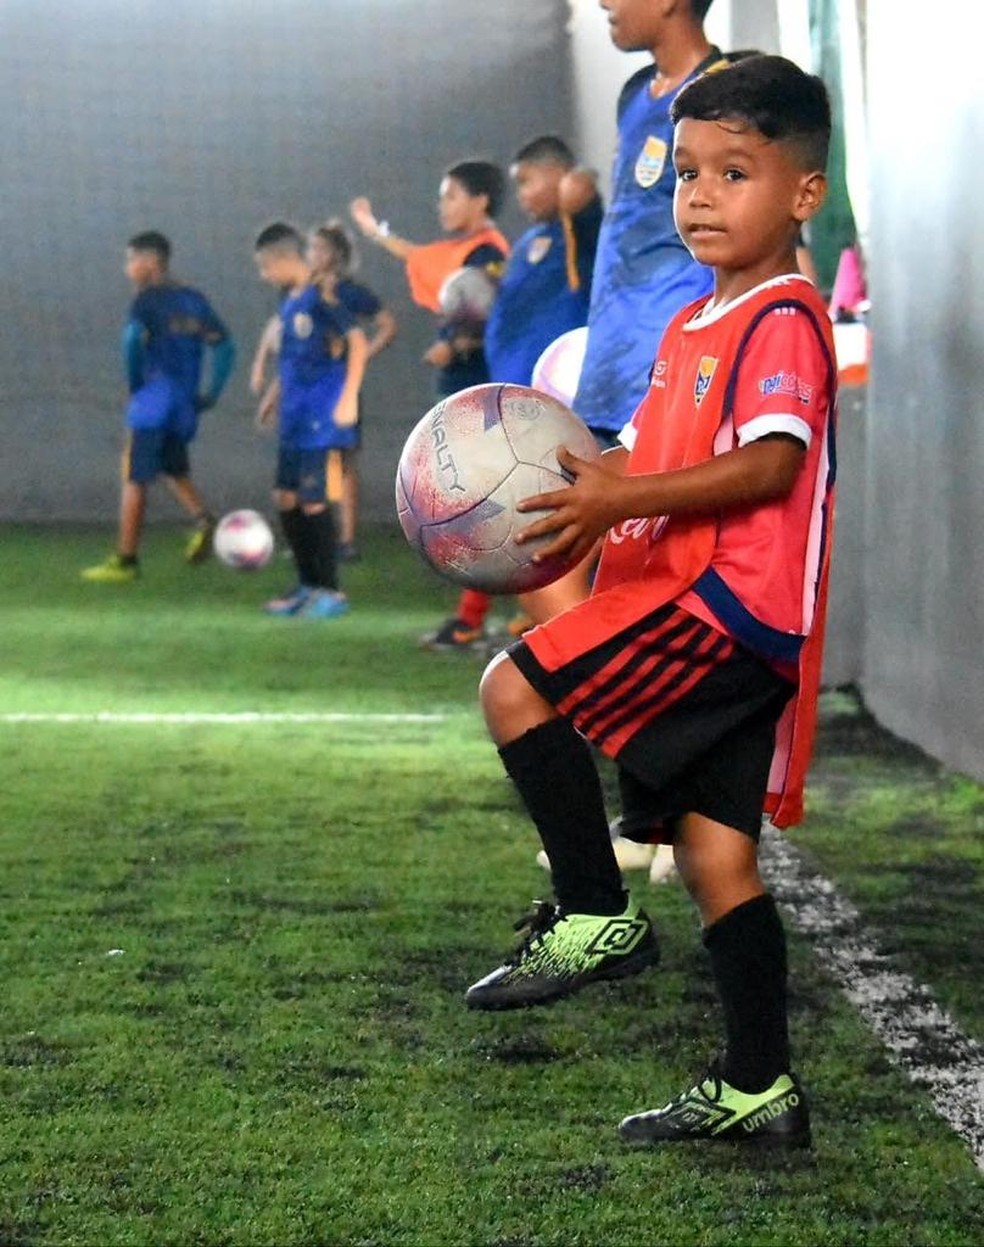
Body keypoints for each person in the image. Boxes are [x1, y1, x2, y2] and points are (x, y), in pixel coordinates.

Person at [467, 55, 836, 1151]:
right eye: (685, 172)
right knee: (719, 857)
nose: (701, 195)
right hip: (722, 615)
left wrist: (623, 493)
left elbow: (769, 466)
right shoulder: (692, 327)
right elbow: (647, 448)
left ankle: (592, 912)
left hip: (721, 605)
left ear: (803, 194)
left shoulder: (784, 318)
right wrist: (556, 472)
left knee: (513, 690)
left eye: (736, 171)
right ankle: (759, 1086)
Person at [420, 135, 604, 651]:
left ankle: (581, 645)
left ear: (561, 177)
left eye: (528, 180)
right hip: (516, 404)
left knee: (533, 524)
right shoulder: (530, 243)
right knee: (506, 521)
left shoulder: (577, 234)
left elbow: (588, 222)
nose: (521, 192)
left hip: (555, 409)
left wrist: (582, 197)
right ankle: (543, 629)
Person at [573, 0, 727, 448]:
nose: (603, 3)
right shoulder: (636, 92)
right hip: (607, 365)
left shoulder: (725, 99)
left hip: (669, 363)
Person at [81, 231, 235, 582]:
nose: (128, 269)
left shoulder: (146, 300)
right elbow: (226, 347)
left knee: (134, 477)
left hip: (152, 403)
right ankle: (203, 519)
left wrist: (136, 385)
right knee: (172, 467)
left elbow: (132, 339)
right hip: (183, 404)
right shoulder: (195, 300)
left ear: (150, 262)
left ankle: (126, 560)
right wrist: (211, 393)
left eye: (131, 260)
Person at [253, 222, 368, 618]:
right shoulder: (292, 301)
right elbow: (293, 360)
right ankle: (306, 585)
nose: (263, 275)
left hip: (320, 415)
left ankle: (330, 591)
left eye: (265, 267)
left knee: (313, 501)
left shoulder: (322, 297)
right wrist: (272, 397)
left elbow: (357, 340)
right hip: (294, 415)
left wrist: (349, 396)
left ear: (284, 259)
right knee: (285, 499)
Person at [307, 221, 398, 561]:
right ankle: (314, 536)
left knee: (345, 460)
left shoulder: (350, 291)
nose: (312, 255)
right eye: (310, 248)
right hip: (308, 386)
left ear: (335, 255)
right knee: (310, 460)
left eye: (318, 248)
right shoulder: (303, 290)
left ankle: (346, 540)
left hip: (341, 387)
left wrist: (359, 359)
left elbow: (388, 325)